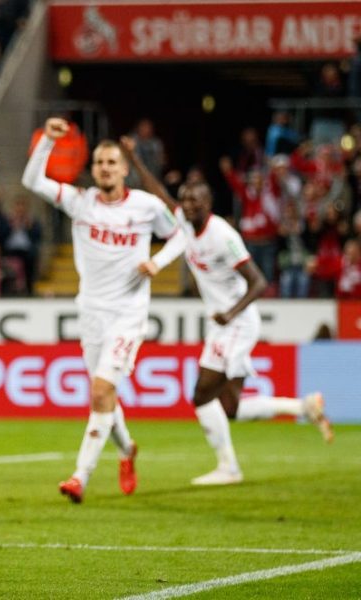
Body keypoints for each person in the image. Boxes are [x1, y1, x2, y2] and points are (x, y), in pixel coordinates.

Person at [125, 140, 334, 486]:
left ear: (209, 203)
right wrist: (133, 157)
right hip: (223, 323)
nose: (187, 205)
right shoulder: (184, 221)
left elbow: (258, 281)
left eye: (195, 200)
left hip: (237, 322)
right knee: (231, 407)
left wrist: (228, 313)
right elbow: (159, 192)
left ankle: (228, 468)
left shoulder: (223, 235)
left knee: (201, 394)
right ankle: (302, 408)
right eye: (185, 199)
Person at [21, 118, 178, 504]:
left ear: (125, 168)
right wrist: (47, 143)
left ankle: (80, 476)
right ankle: (127, 450)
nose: (105, 168)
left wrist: (158, 263)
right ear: (92, 169)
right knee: (103, 396)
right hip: (91, 313)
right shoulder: (81, 201)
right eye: (99, 163)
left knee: (102, 390)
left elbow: (181, 234)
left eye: (112, 162)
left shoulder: (147, 206)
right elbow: (32, 182)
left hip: (128, 315)